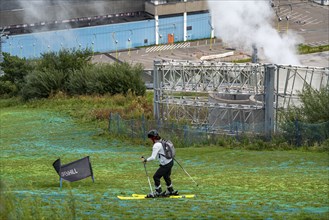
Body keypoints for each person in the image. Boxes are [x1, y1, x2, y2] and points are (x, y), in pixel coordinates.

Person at [142, 129, 178, 197]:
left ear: (152, 138)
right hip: (170, 162)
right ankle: (171, 190)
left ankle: (158, 192)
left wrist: (146, 160)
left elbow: (153, 157)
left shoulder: (156, 145)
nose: (150, 140)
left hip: (165, 164)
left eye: (150, 138)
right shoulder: (162, 141)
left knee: (156, 177)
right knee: (166, 176)